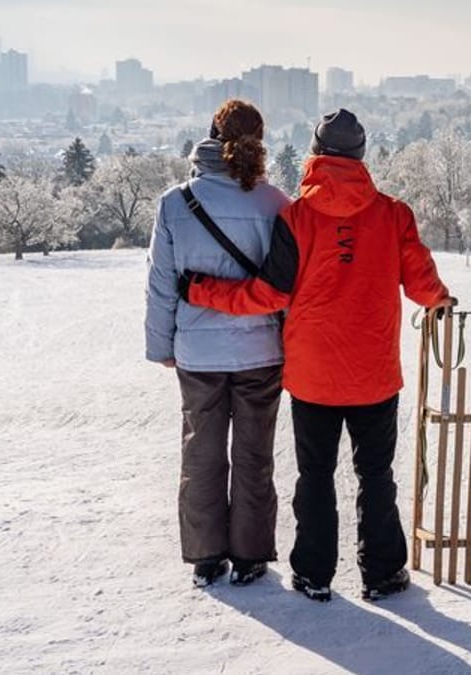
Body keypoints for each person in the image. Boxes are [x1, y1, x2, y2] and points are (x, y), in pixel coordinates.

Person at [179, 109, 453, 602]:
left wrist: (202, 292)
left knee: (316, 475)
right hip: (374, 375)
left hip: (312, 375)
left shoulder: (296, 217)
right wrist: (443, 300)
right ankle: (384, 573)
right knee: (376, 475)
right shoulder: (393, 214)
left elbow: (269, 295)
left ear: (316, 155)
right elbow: (422, 285)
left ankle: (313, 572)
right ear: (361, 155)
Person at [144, 99, 292, 588]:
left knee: (201, 452)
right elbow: (292, 286)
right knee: (255, 454)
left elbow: (162, 283)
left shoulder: (175, 203)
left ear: (209, 137)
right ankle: (250, 556)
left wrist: (161, 344)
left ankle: (207, 555)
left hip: (198, 352)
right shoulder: (276, 204)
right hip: (261, 352)